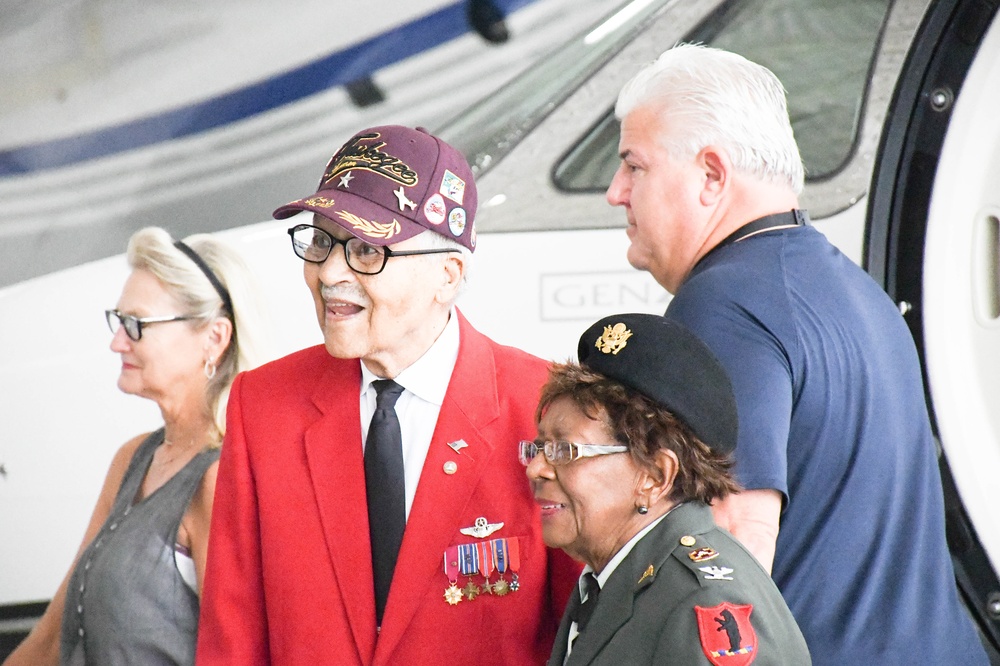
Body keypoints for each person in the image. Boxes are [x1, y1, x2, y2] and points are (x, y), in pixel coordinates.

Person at [605, 42, 989, 664]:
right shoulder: (852, 288)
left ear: (711, 174)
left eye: (634, 165)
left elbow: (732, 544)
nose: (616, 192)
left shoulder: (722, 306)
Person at [196, 125, 581, 665]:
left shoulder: (545, 407)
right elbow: (231, 635)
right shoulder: (262, 405)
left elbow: (585, 629)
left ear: (447, 276)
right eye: (322, 241)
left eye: (366, 250)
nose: (329, 273)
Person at [3, 227, 267, 666]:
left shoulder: (219, 478)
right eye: (118, 320)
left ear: (215, 338)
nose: (116, 341)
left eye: (136, 325)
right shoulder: (133, 458)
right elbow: (52, 637)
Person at [526, 313, 810, 665]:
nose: (536, 468)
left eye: (565, 451)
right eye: (538, 448)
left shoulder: (704, 601)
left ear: (656, 476)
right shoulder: (615, 578)